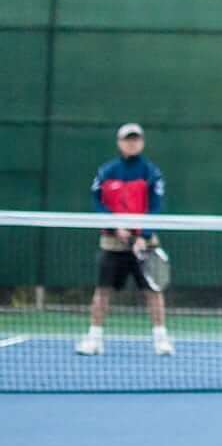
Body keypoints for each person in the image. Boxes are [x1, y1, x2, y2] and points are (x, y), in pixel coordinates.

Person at [75, 123, 171, 357]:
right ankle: (94, 339)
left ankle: (161, 340)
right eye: (128, 139)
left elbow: (156, 206)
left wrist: (143, 236)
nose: (132, 142)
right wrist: (115, 226)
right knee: (102, 291)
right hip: (112, 242)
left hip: (144, 243)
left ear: (142, 142)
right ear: (119, 142)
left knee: (153, 292)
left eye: (136, 139)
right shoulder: (106, 171)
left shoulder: (152, 172)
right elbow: (98, 203)